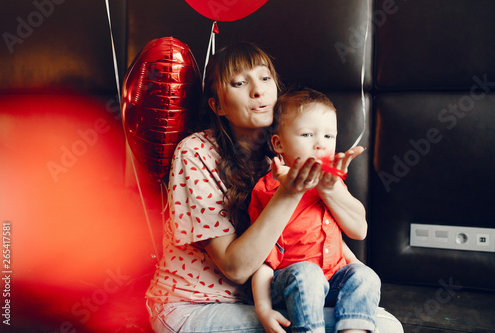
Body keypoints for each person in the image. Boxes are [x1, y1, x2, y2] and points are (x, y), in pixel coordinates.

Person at [145, 42, 403, 333]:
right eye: (240, 83)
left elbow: (329, 231)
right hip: (198, 305)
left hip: (271, 294)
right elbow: (236, 268)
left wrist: (355, 274)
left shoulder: (287, 149)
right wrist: (289, 193)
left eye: (265, 78)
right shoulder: (196, 152)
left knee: (381, 322)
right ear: (217, 105)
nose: (258, 91)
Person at [249, 87, 381, 333]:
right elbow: (262, 259)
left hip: (331, 282)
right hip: (289, 283)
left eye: (329, 137)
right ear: (278, 143)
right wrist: (264, 307)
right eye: (307, 134)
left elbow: (348, 235)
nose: (321, 144)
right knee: (308, 273)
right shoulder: (269, 190)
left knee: (367, 276)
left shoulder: (331, 182)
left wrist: (358, 270)